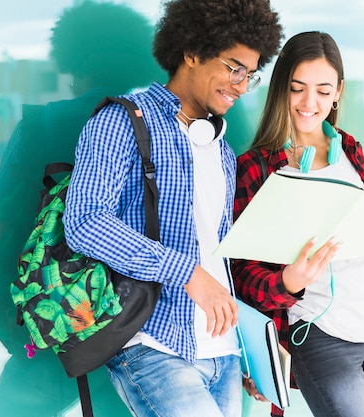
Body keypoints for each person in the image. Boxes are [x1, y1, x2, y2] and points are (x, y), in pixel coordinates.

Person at [62, 1, 283, 416]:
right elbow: (85, 222)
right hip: (154, 343)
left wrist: (252, 353)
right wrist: (185, 272)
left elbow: (217, 255)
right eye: (234, 67)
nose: (240, 85)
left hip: (224, 353)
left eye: (250, 76)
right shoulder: (120, 122)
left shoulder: (221, 150)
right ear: (193, 51)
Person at [231, 31, 364, 417]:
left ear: (338, 92)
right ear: (281, 88)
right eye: (297, 88)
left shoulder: (350, 149)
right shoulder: (257, 168)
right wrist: (287, 283)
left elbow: (362, 245)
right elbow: (241, 275)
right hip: (320, 334)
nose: (309, 102)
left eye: (322, 89)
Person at [0, 2, 161, 416]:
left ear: (75, 65)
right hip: (128, 327)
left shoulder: (41, 126)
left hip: (50, 323)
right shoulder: (160, 135)